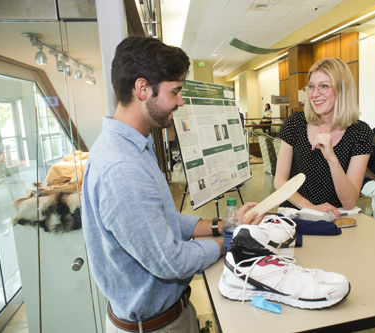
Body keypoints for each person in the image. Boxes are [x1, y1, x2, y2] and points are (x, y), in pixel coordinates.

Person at [81, 36, 259, 333]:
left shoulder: (135, 146)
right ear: (142, 89)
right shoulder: (122, 168)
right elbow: (171, 261)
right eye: (175, 91)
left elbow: (165, 218)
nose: (180, 101)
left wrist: (222, 226)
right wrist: (231, 243)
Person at [274, 57, 372, 218]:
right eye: (311, 87)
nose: (314, 94)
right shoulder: (296, 123)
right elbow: (280, 181)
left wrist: (332, 158)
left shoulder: (360, 132)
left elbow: (349, 202)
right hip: (294, 214)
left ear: (342, 89)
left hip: (333, 217)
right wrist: (310, 207)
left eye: (324, 86)